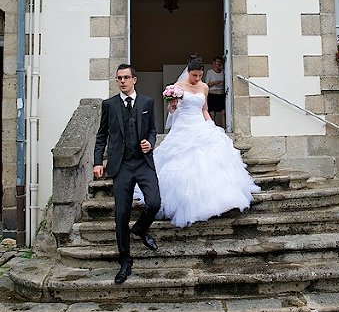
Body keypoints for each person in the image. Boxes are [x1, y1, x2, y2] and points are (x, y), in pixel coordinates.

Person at [153, 58, 261, 227]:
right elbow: (172, 110)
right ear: (188, 72)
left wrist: (211, 125)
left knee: (210, 159)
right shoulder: (178, 86)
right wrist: (172, 104)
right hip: (183, 126)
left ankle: (215, 200)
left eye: (200, 75)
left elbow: (203, 109)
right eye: (194, 75)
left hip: (199, 124)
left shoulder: (204, 86)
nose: (197, 78)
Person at [93, 64, 161, 284]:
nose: (122, 81)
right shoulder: (109, 105)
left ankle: (140, 229)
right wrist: (97, 162)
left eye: (125, 77)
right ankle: (125, 261)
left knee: (154, 202)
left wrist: (149, 143)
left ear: (134, 79)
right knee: (121, 214)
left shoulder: (147, 103)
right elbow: (101, 135)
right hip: (120, 165)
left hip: (142, 163)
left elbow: (152, 130)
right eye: (118, 78)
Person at [204, 56, 226, 128]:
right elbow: (207, 85)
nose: (219, 63)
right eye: (217, 62)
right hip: (212, 95)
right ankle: (212, 128)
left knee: (223, 112)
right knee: (212, 113)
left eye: (220, 62)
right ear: (214, 63)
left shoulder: (223, 72)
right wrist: (214, 83)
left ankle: (224, 128)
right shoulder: (210, 72)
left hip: (221, 94)